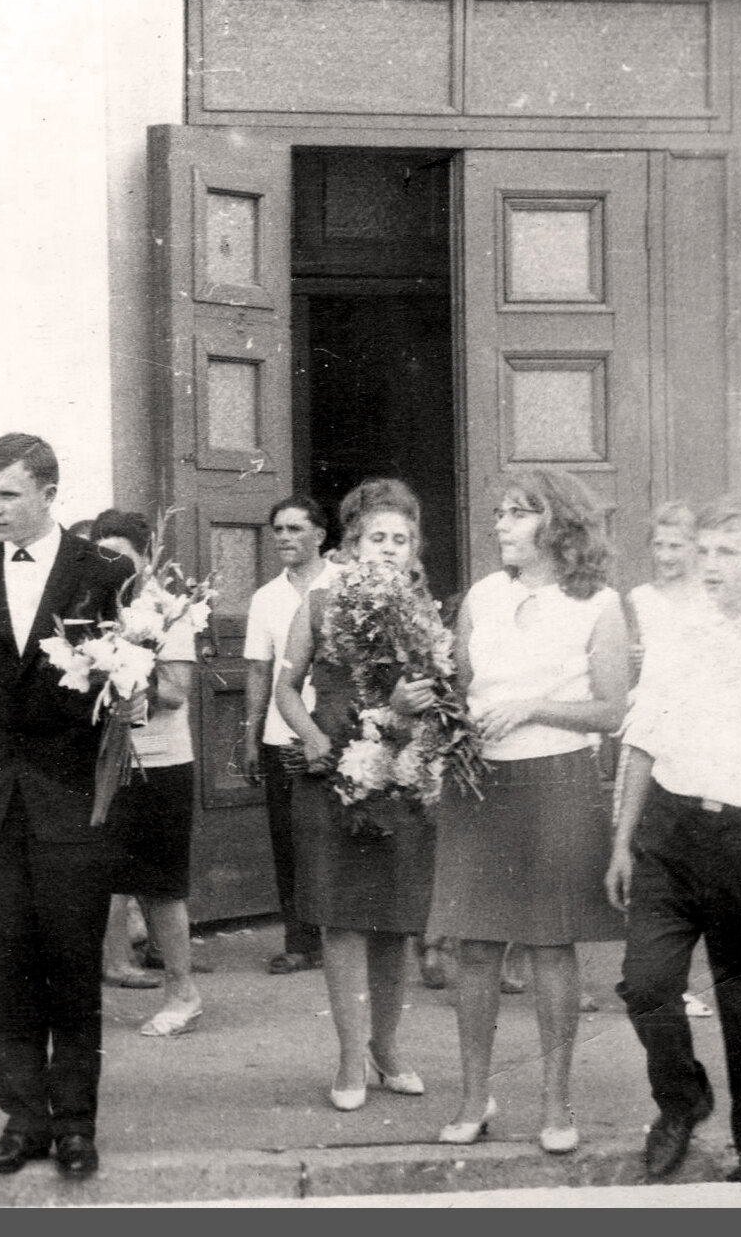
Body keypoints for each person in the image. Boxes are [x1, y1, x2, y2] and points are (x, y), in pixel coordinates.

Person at [0, 432, 135, 1179]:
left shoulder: (104, 572)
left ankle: (75, 1122)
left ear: (48, 493)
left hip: (72, 794)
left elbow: (134, 677)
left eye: (7, 494)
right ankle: (22, 1118)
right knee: (7, 961)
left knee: (72, 961)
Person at [427, 469, 627, 1154]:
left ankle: (555, 1103)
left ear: (557, 523)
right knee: (475, 945)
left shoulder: (598, 603)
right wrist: (421, 706)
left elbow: (611, 708)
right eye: (499, 512)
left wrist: (533, 707)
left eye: (518, 513)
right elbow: (457, 688)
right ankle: (473, 1097)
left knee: (549, 944)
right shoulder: (482, 596)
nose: (500, 525)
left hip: (558, 779)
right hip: (479, 783)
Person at [608, 496, 741, 1184]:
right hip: (671, 832)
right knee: (646, 983)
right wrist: (622, 839)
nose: (709, 564)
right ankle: (680, 1100)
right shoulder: (678, 629)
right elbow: (643, 736)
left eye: (726, 552)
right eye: (703, 550)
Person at [273, 478, 437, 1115]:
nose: (389, 548)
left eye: (401, 539)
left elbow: (440, 693)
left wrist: (414, 712)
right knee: (342, 921)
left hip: (399, 774)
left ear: (413, 549)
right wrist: (313, 737)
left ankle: (386, 1048)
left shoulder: (423, 615)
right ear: (353, 545)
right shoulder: (319, 604)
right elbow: (287, 689)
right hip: (332, 773)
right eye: (377, 538)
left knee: (395, 923)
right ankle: (349, 1057)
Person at [89, 509, 204, 1037]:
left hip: (159, 765)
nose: (112, 566)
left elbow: (177, 691)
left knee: (160, 887)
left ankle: (183, 993)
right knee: (89, 879)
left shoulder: (166, 609)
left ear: (146, 556)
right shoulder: (88, 603)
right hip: (101, 764)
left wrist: (137, 685)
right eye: (102, 555)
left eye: (123, 556)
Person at [620, 501, 714, 1020]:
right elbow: (633, 663)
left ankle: (679, 979)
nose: (665, 555)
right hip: (650, 728)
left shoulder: (709, 597)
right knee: (643, 846)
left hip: (695, 732)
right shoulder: (641, 597)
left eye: (676, 545)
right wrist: (636, 660)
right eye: (658, 545)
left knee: (691, 858)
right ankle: (652, 969)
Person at [241, 495, 337, 976]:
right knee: (290, 842)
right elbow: (259, 671)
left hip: (342, 733)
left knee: (343, 837)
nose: (283, 537)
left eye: (295, 528)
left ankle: (347, 937)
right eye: (278, 529)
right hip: (284, 738)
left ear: (320, 534)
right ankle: (301, 942)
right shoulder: (266, 597)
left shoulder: (346, 584)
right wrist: (251, 736)